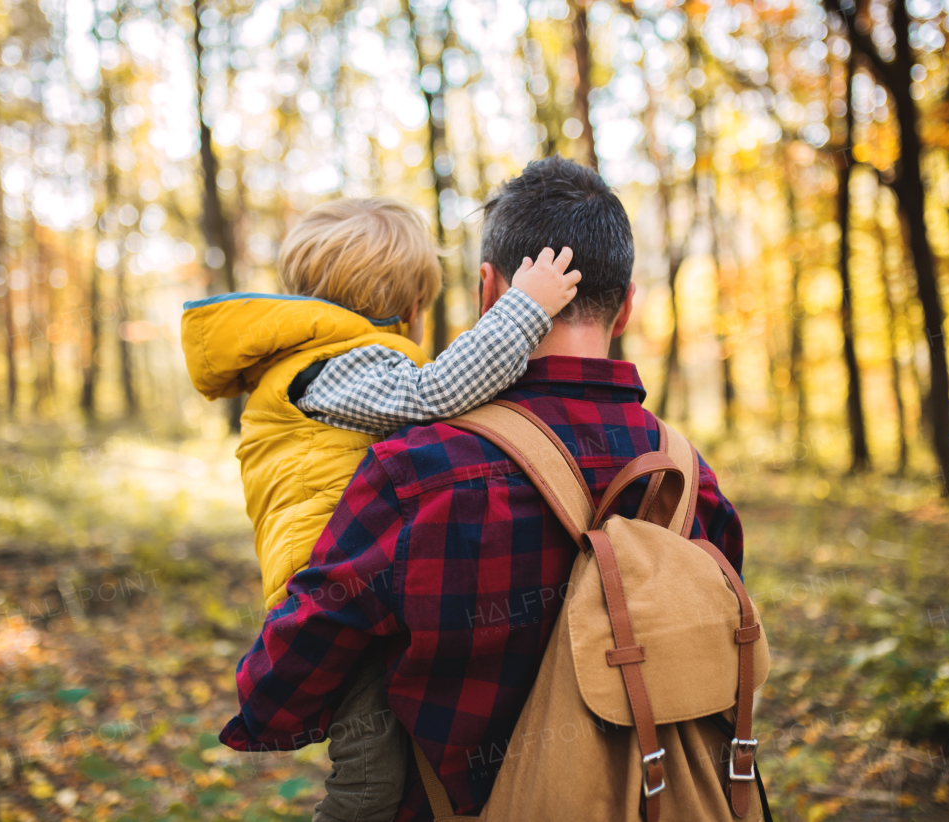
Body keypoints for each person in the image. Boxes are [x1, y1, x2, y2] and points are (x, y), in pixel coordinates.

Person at [217, 156, 745, 820]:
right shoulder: (691, 481)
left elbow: (306, 649)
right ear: (629, 304)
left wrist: (263, 709)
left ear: (488, 291)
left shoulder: (420, 472)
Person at [181, 196, 581, 822]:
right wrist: (523, 309)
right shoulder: (336, 368)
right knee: (370, 781)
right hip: (335, 596)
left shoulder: (330, 366)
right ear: (407, 307)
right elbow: (436, 393)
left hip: (355, 584)